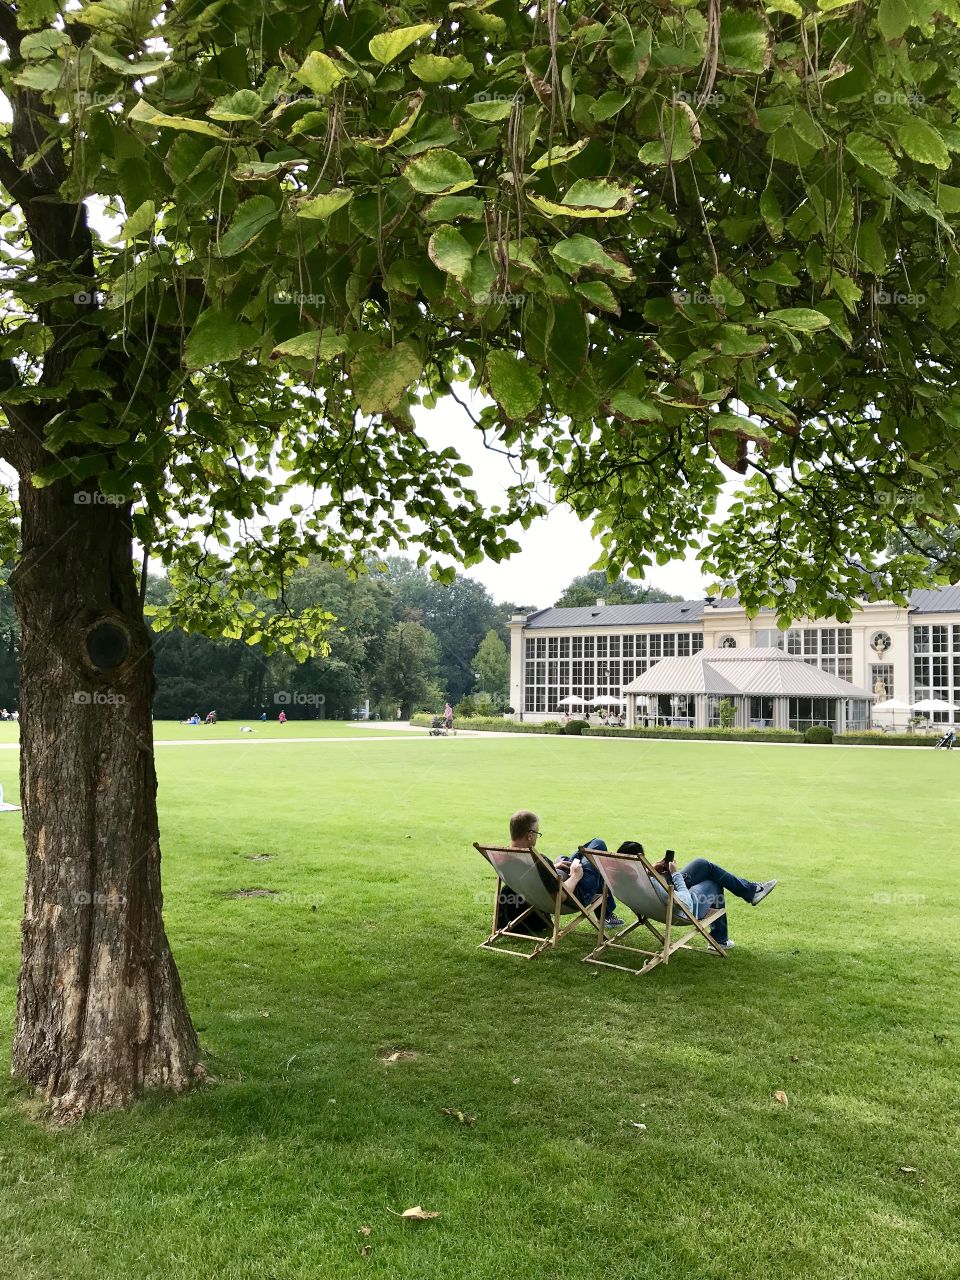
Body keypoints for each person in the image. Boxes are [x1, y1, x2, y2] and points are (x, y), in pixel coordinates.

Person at [625, 842, 776, 949]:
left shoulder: (619, 878)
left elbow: (641, 879)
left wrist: (652, 871)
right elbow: (685, 902)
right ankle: (720, 937)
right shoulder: (651, 883)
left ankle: (751, 891)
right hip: (681, 909)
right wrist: (675, 874)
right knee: (715, 881)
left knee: (702, 864)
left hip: (652, 904)